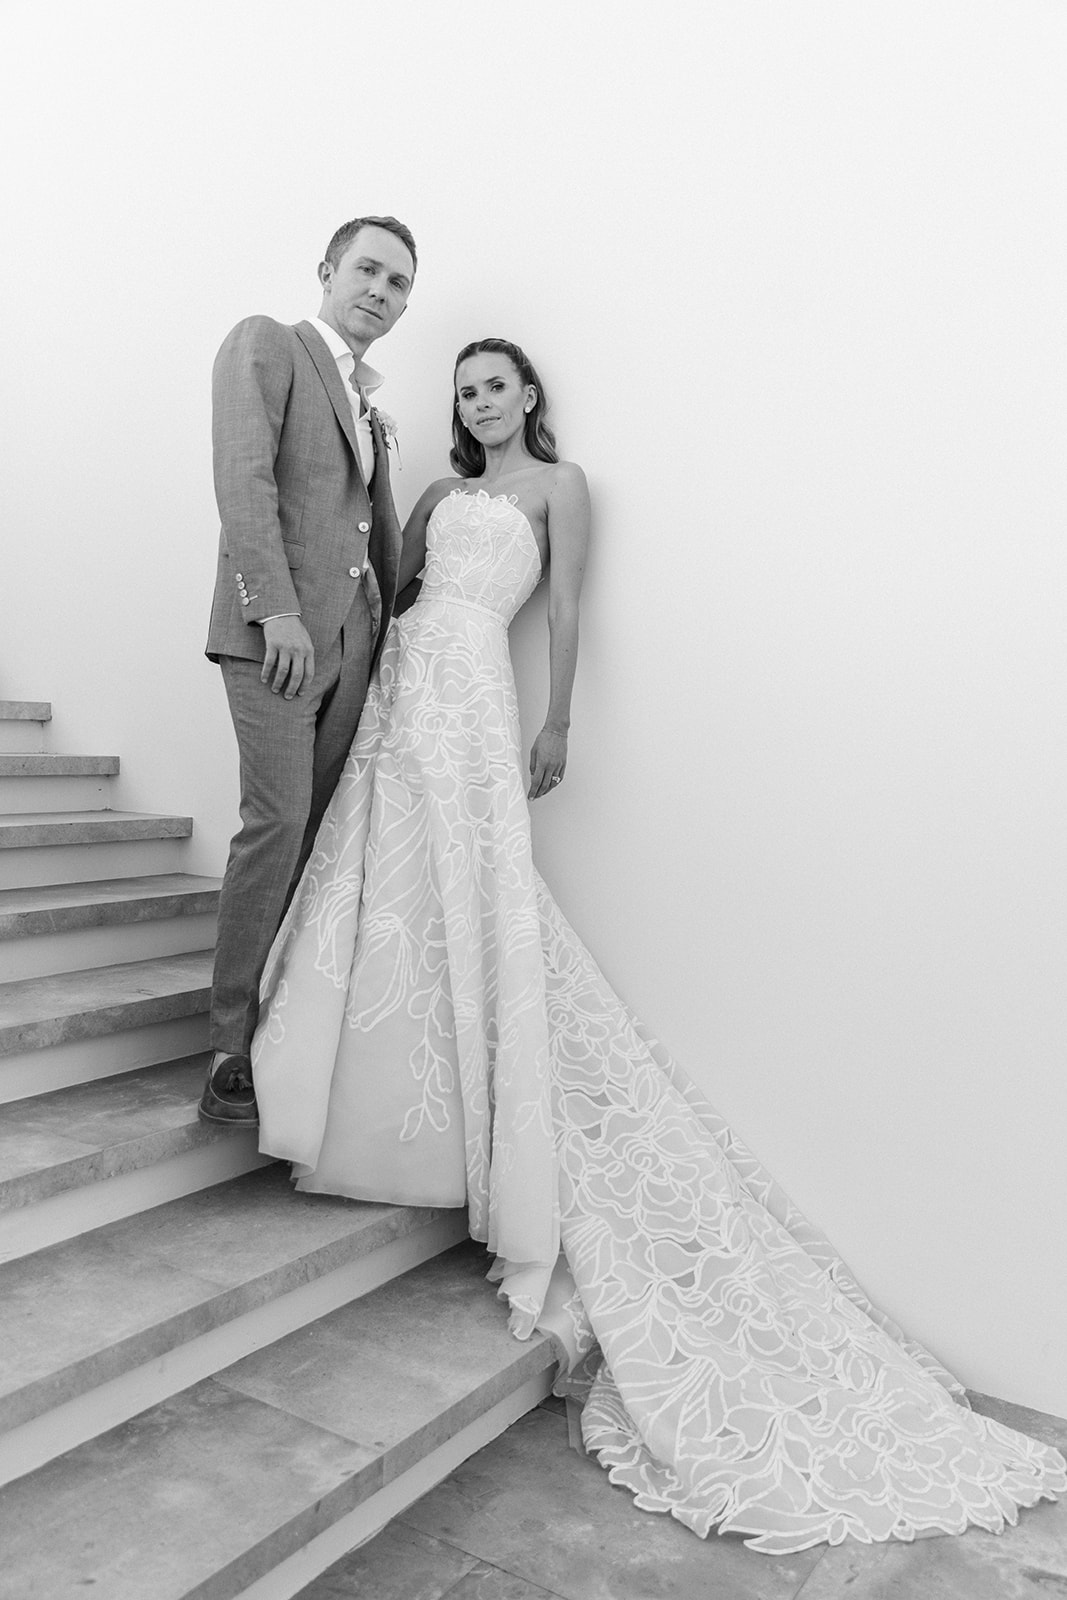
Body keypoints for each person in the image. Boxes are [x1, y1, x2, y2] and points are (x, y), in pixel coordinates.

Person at [250, 338, 1066, 1551]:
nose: (478, 401)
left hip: (477, 684)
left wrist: (557, 722)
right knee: (387, 882)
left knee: (479, 893)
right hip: (406, 686)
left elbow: (564, 608)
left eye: (494, 384)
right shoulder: (430, 495)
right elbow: (395, 595)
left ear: (527, 394)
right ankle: (382, 1109)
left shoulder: (559, 486)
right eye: (464, 390)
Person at [200, 214, 417, 1127]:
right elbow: (243, 479)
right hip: (276, 637)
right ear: (327, 270)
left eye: (398, 283)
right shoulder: (269, 344)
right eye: (367, 269)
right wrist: (275, 610)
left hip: (352, 647)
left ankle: (281, 1032)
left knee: (318, 835)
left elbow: (370, 533)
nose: (380, 291)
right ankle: (227, 1045)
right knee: (278, 821)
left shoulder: (368, 406)